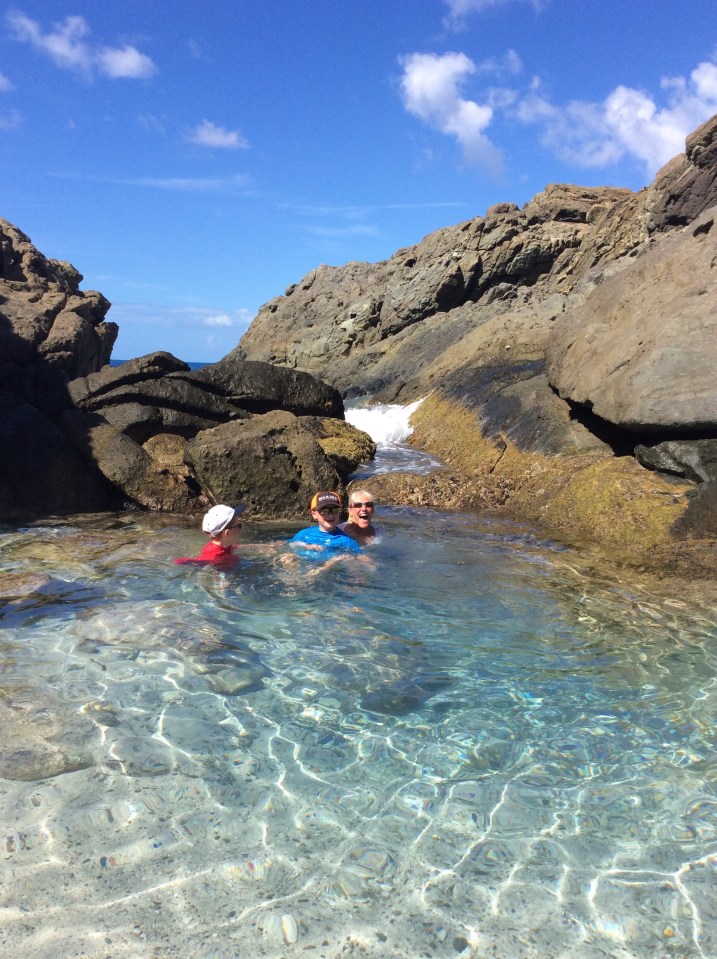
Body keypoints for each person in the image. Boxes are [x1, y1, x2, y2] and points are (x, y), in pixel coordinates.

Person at [288, 491, 363, 560]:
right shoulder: (304, 534)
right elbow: (288, 544)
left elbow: (361, 557)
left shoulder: (345, 541)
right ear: (314, 514)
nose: (330, 515)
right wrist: (305, 546)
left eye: (335, 510)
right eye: (324, 511)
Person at [174, 504, 245, 568]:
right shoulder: (216, 559)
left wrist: (250, 547)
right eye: (239, 525)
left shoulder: (223, 545)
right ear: (227, 533)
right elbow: (180, 562)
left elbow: (233, 547)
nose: (241, 529)